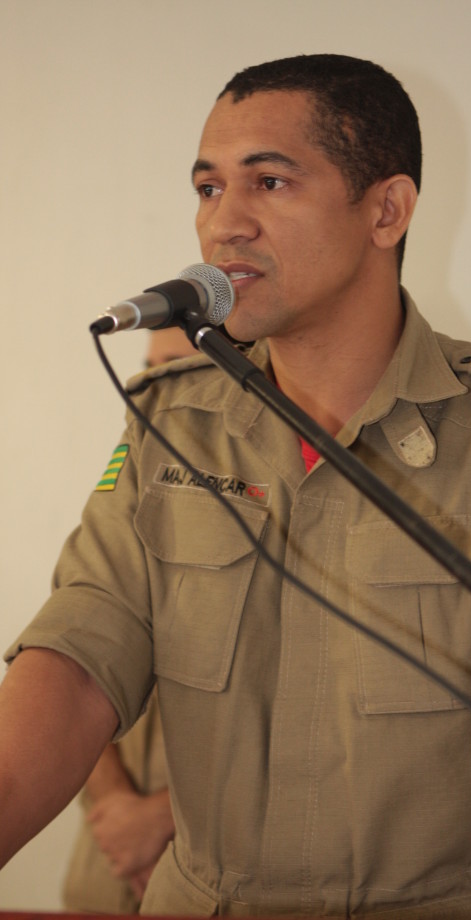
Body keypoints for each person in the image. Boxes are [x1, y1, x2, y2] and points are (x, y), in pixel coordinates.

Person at [1, 53, 471, 920]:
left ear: (386, 210)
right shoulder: (171, 420)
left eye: (270, 182)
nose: (224, 224)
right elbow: (76, 657)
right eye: (208, 188)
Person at [62, 328, 196, 913]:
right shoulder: (126, 505)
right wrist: (118, 806)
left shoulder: (301, 513)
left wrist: (161, 818)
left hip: (214, 872)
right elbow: (73, 670)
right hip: (106, 865)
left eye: (175, 367)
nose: (147, 388)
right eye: (147, 367)